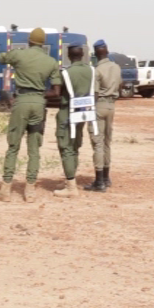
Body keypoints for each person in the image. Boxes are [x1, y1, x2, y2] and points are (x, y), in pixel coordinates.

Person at [0, 28, 61, 202]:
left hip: (21, 103)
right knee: (34, 149)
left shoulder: (18, 55)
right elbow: (56, 91)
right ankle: (30, 191)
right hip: (38, 105)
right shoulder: (51, 62)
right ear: (43, 43)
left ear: (29, 41)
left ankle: (6, 190)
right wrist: (37, 95)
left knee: (13, 146)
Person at [51, 44, 95, 198]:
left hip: (67, 113)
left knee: (66, 148)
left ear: (69, 56)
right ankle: (71, 180)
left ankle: (71, 187)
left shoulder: (65, 73)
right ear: (82, 55)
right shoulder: (91, 70)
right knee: (75, 145)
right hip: (82, 113)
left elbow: (56, 93)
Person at [84, 39, 122, 191]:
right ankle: (106, 178)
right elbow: (120, 84)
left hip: (99, 105)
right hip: (111, 105)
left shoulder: (96, 71)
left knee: (98, 143)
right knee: (107, 142)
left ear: (95, 54)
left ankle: (99, 182)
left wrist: (88, 111)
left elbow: (94, 93)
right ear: (106, 51)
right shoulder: (116, 67)